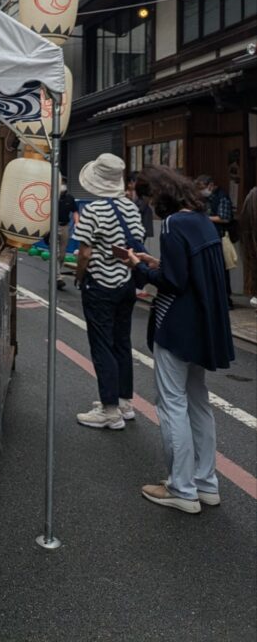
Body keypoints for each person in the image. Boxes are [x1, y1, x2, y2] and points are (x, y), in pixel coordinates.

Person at [126, 166, 234, 514]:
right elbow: (188, 271)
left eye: (151, 197)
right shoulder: (202, 220)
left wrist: (139, 267)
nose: (151, 203)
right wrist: (157, 261)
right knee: (199, 403)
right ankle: (206, 484)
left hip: (176, 324)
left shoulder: (173, 224)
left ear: (162, 195)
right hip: (204, 324)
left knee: (172, 404)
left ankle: (181, 488)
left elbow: (173, 281)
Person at [72, 153, 146, 430]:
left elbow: (85, 252)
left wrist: (80, 277)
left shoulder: (92, 211)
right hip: (126, 284)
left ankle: (109, 410)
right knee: (121, 343)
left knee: (102, 345)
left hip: (100, 285)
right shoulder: (131, 208)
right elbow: (137, 242)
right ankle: (125, 402)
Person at [196, 174, 235, 308]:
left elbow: (224, 218)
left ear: (210, 185)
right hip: (206, 238)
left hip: (220, 238)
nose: (201, 191)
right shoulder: (203, 199)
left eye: (202, 188)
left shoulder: (221, 196)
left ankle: (226, 300)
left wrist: (204, 219)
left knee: (222, 270)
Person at [57, 177, 78, 290]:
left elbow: (75, 211)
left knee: (62, 254)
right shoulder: (53, 197)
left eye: (64, 183)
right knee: (56, 253)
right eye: (61, 183)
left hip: (65, 227)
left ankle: (57, 273)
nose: (62, 185)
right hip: (53, 226)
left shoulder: (70, 198)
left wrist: (77, 223)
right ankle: (57, 277)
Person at [127, 171, 154, 240]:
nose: (129, 185)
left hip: (142, 221)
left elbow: (141, 207)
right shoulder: (134, 193)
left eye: (131, 182)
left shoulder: (143, 194)